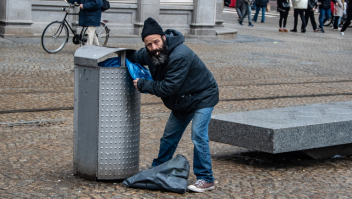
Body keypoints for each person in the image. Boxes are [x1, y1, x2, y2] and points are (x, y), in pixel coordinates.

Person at [128, 18, 219, 193]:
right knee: (169, 136)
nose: (154, 47)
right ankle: (158, 168)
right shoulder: (149, 52)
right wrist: (119, 57)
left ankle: (206, 178)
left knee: (198, 135)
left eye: (156, 42)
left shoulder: (180, 55)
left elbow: (168, 87)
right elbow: (134, 56)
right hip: (182, 100)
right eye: (149, 45)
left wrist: (143, 84)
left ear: (163, 38)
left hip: (203, 96)